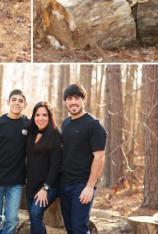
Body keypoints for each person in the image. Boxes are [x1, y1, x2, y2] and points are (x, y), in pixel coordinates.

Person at [58, 84, 107, 234]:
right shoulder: (65, 123)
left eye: (76, 98)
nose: (73, 102)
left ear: (83, 101)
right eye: (69, 99)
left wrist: (90, 186)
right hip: (64, 184)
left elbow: (99, 157)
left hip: (82, 186)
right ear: (65, 102)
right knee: (70, 227)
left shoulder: (94, 125)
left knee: (79, 228)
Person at [0, 89, 29, 234]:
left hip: (16, 183)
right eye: (14, 99)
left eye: (20, 101)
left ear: (25, 104)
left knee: (11, 220)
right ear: (8, 102)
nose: (17, 103)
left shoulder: (28, 124)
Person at [25, 102, 62, 234]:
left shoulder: (55, 135)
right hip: (32, 184)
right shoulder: (30, 134)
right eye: (37, 115)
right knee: (35, 218)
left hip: (49, 185)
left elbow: (55, 165)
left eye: (44, 115)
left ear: (50, 117)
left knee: (35, 214)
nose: (40, 118)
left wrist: (45, 188)